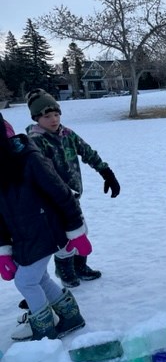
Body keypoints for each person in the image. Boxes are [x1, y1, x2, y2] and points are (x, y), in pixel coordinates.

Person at [0, 114, 88, 341]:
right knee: (39, 279)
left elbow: (61, 193)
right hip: (24, 237)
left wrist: (76, 230)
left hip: (47, 230)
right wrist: (3, 250)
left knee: (26, 281)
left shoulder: (29, 159)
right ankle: (71, 316)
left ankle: (44, 330)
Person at [25, 88, 121, 288]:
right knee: (64, 237)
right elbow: (37, 174)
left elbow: (87, 152)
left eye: (56, 114)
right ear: (36, 118)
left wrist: (106, 173)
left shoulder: (67, 134)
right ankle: (64, 270)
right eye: (47, 116)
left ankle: (80, 266)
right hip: (52, 200)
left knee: (81, 230)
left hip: (72, 197)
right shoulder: (35, 141)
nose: (54, 119)